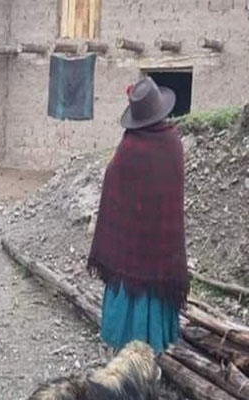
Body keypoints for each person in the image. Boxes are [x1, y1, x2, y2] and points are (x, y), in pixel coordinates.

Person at [88, 76, 188, 354]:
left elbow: (112, 186)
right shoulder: (174, 144)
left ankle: (125, 353)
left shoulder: (129, 147)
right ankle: (151, 353)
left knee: (130, 295)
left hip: (130, 251)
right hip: (162, 251)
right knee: (153, 298)